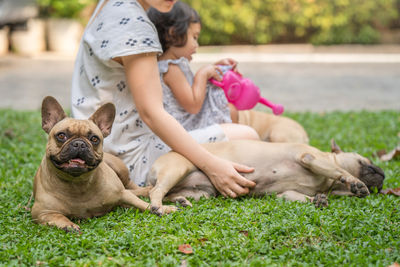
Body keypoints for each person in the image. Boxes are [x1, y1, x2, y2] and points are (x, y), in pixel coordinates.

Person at [70, 0, 257, 198]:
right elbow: (152, 114)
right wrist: (212, 166)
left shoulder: (112, 4)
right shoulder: (134, 24)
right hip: (128, 163)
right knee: (247, 135)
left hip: (100, 149)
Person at [148, 2, 245, 133]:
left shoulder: (172, 65)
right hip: (184, 128)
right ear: (173, 34)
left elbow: (192, 87)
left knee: (230, 110)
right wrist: (202, 74)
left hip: (188, 120)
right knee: (230, 111)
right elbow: (193, 105)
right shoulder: (170, 69)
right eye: (194, 37)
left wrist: (215, 68)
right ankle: (231, 144)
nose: (196, 44)